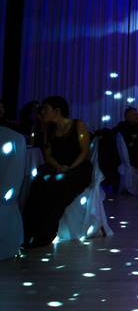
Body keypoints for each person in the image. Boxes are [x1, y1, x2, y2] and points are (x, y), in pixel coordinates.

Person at [22, 96, 92, 248]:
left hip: (78, 168)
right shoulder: (49, 129)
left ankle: (45, 234)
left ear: (57, 110)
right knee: (38, 184)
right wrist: (59, 166)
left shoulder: (77, 125)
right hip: (58, 168)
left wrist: (70, 167)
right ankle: (27, 232)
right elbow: (48, 156)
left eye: (46, 109)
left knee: (57, 186)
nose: (43, 112)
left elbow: (84, 152)